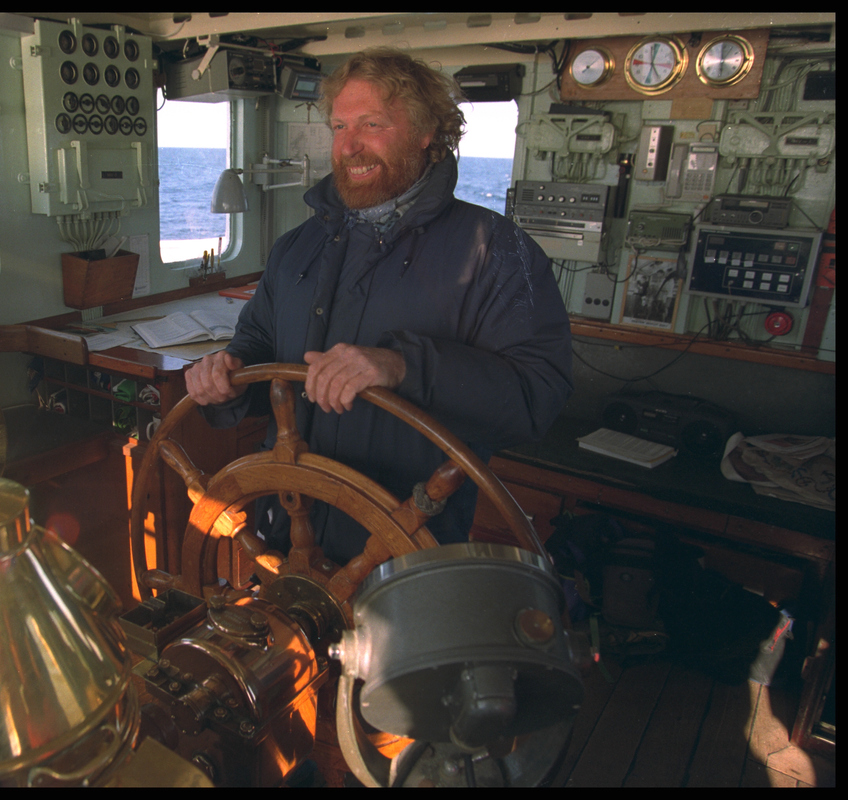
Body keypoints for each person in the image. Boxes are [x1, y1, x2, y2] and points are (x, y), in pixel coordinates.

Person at [186, 47, 573, 566]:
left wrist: (403, 366)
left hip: (406, 550)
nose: (351, 145)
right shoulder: (296, 246)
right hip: (283, 540)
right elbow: (257, 354)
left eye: (373, 124)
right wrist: (224, 379)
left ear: (425, 132)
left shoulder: (494, 251)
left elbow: (537, 397)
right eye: (340, 125)